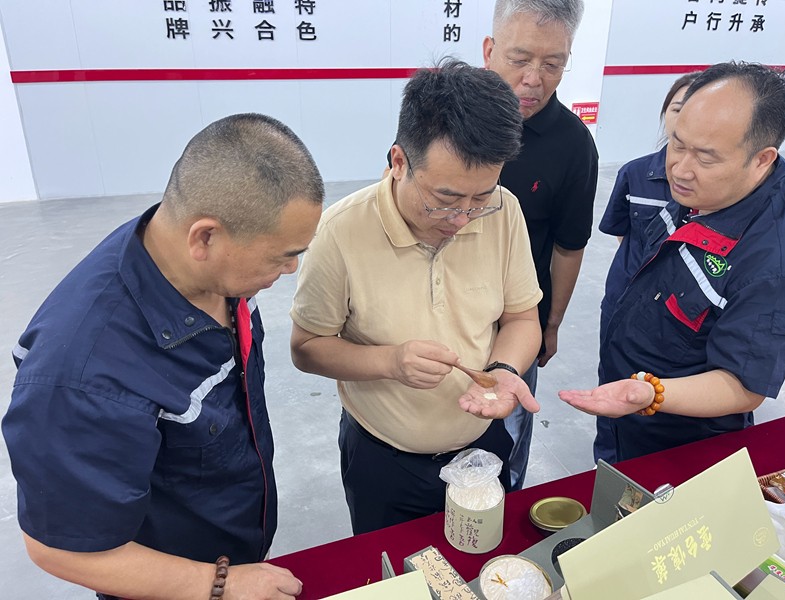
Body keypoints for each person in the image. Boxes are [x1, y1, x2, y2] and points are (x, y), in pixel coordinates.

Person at [2, 114, 324, 600]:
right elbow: (59, 547)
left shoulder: (203, 265)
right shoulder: (84, 375)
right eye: (281, 255)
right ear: (205, 237)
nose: (291, 268)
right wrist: (218, 584)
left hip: (231, 543)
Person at [290, 59, 542, 534]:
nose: (462, 218)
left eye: (479, 198)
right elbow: (306, 348)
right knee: (390, 566)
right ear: (399, 162)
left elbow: (522, 319)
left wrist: (504, 372)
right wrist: (391, 362)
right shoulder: (341, 232)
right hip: (384, 460)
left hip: (481, 451)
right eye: (444, 200)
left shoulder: (504, 210)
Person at [559, 62, 785, 462]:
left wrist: (651, 393)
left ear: (762, 159)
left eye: (705, 157)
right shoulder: (706, 190)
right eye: (677, 143)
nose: (679, 169)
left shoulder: (775, 265)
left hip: (678, 441)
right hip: (623, 400)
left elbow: (743, 385)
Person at [482, 0, 599, 490]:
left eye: (553, 64)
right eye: (520, 59)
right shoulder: (443, 117)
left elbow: (569, 247)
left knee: (502, 444)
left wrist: (551, 324)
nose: (534, 79)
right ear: (489, 51)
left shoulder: (573, 144)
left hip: (517, 319)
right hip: (436, 312)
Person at [593, 71, 700, 464]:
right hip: (624, 301)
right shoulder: (636, 174)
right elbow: (624, 236)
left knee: (665, 405)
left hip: (681, 318)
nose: (685, 120)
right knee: (612, 390)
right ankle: (607, 468)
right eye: (678, 109)